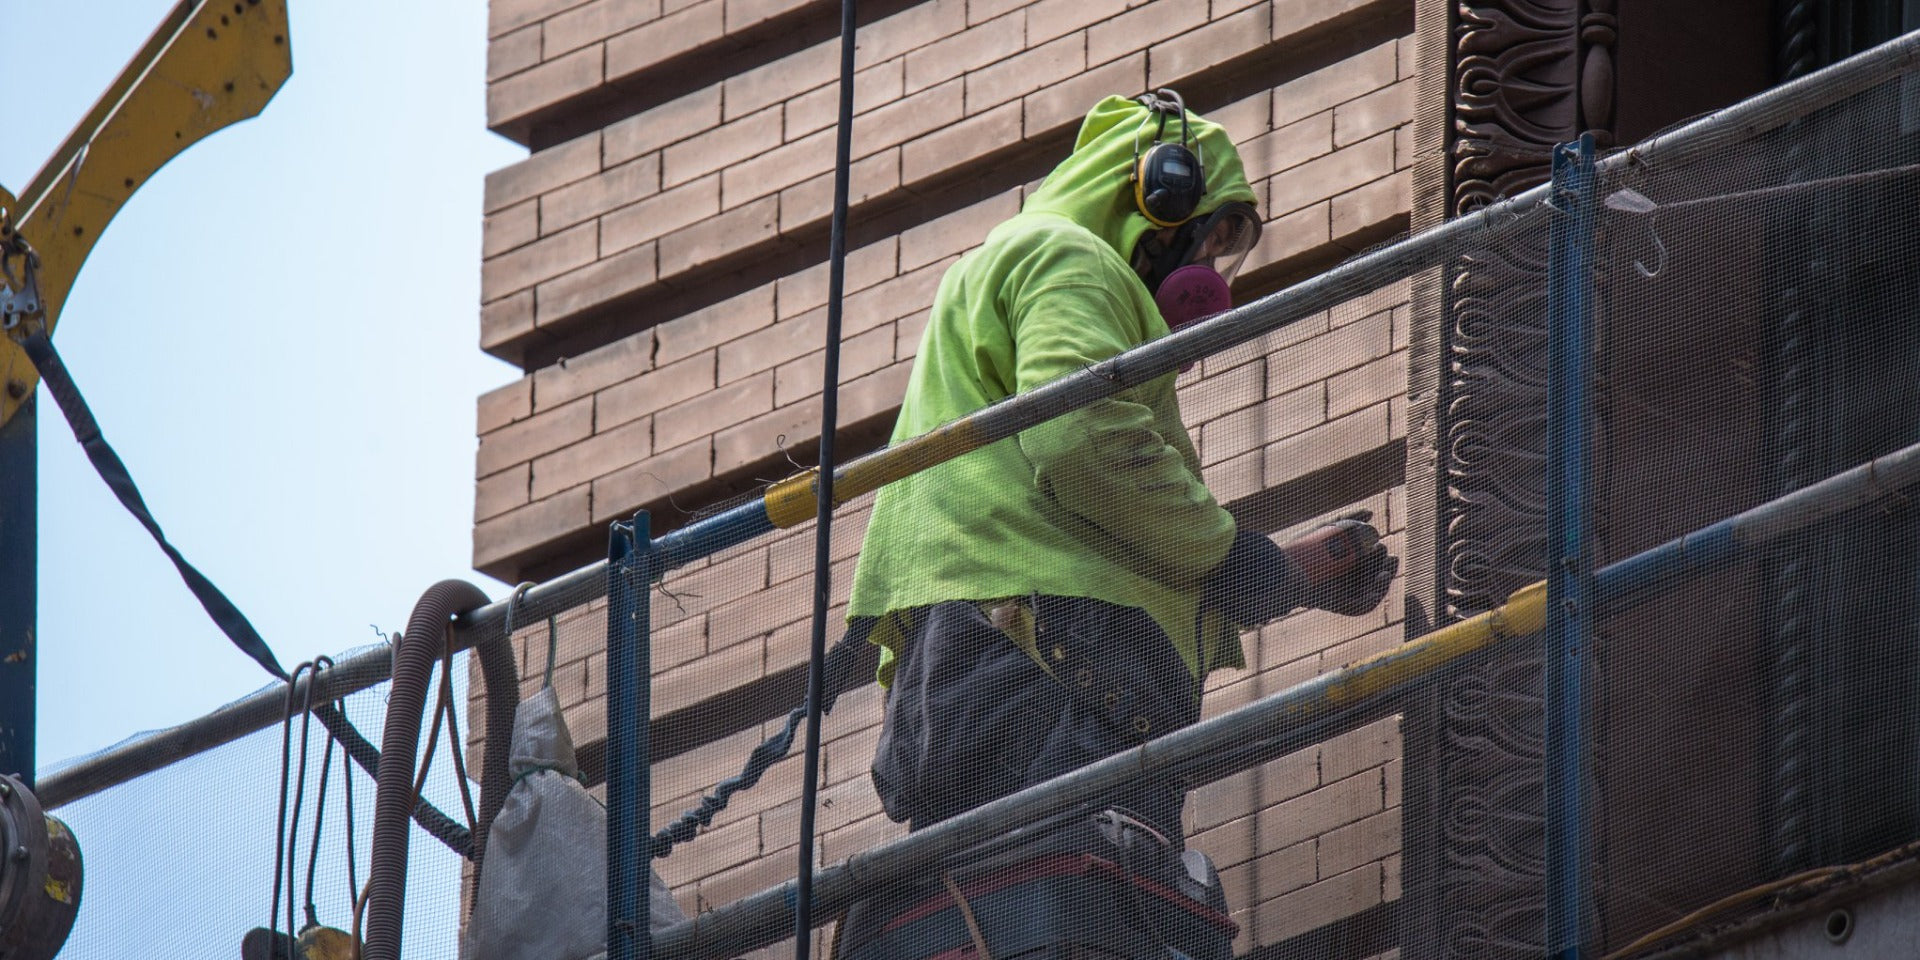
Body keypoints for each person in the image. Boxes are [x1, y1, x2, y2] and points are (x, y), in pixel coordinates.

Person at [843, 90, 1398, 844]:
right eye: (1209, 239)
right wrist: (1227, 553)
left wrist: (1268, 576)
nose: (1209, 269)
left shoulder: (1028, 266)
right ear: (1153, 195)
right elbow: (1082, 437)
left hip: (979, 660)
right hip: (1048, 651)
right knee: (1084, 893)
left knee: (1011, 896)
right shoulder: (1070, 257)